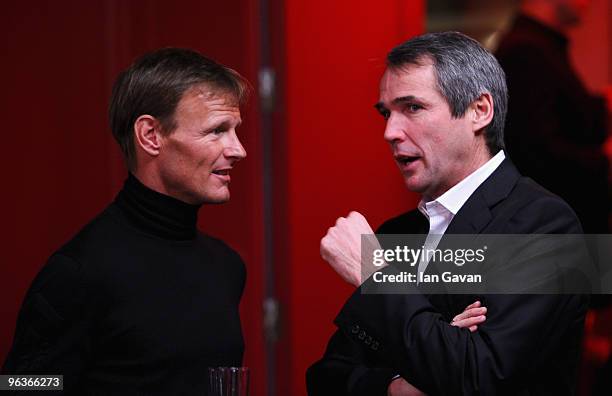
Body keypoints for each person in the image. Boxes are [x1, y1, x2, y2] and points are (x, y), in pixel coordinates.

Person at [307, 32, 588, 395]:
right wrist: (396, 388)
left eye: (412, 108)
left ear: (479, 111)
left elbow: (479, 376)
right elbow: (325, 378)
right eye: (385, 113)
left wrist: (376, 275)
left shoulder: (545, 226)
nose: (389, 132)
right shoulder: (399, 233)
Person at [2, 48, 249, 394]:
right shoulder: (79, 272)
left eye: (235, 130)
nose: (238, 149)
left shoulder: (226, 265)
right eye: (216, 131)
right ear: (150, 136)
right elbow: (22, 386)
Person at [496, 0, 610, 234]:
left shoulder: (543, 45)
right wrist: (605, 159)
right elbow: (537, 154)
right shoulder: (526, 50)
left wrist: (601, 105)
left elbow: (564, 120)